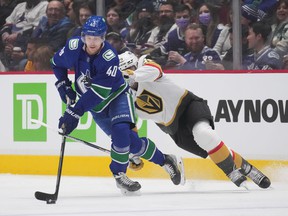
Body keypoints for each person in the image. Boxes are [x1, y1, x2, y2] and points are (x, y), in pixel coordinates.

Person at [51, 15, 183, 195]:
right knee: (132, 144)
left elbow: (99, 92)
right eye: (89, 37)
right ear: (83, 36)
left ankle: (119, 175)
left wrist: (74, 113)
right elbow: (56, 64)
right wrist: (63, 84)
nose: (92, 42)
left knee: (121, 132)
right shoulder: (73, 48)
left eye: (96, 38)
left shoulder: (108, 57)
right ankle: (166, 160)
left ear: (102, 38)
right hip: (96, 107)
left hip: (117, 96)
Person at [118, 50, 271, 189]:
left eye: (131, 68)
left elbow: (155, 70)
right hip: (173, 128)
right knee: (210, 146)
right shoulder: (125, 97)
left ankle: (231, 172)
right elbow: (130, 125)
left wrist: (133, 74)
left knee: (204, 134)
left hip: (188, 106)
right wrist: (131, 153)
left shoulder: (145, 63)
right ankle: (249, 169)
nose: (129, 76)